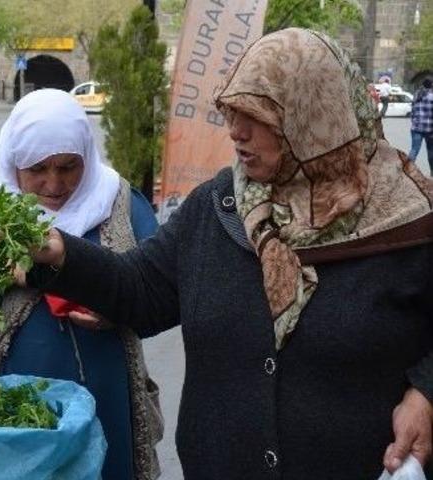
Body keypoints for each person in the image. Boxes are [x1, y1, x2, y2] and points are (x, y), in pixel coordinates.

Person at [25, 28, 433, 479]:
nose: (236, 132)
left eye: (257, 116)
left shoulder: (410, 219)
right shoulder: (218, 206)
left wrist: (426, 394)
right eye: (232, 112)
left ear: (314, 116)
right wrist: (61, 254)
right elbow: (141, 289)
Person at [0, 89, 164, 479]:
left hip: (107, 400)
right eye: (37, 168)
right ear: (13, 161)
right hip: (10, 408)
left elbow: (158, 285)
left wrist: (117, 307)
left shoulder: (118, 200)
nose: (54, 184)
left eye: (69, 167)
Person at [409, 78, 433, 170]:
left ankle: (407, 169)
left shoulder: (417, 95)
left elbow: (412, 112)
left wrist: (414, 121)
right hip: (430, 129)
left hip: (416, 127)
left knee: (414, 150)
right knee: (431, 151)